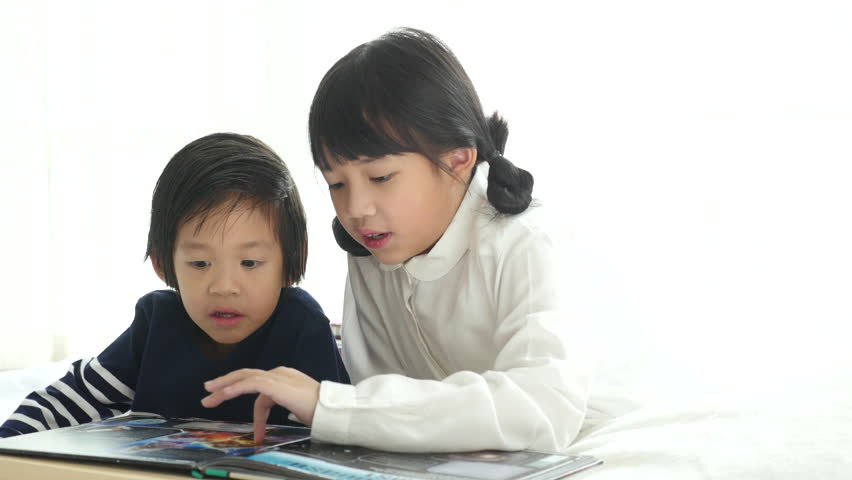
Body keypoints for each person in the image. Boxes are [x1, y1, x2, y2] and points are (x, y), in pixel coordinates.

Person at [202, 28, 590, 453]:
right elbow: (381, 396)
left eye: (381, 177)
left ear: (458, 160)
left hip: (591, 450)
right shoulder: (371, 253)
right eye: (336, 183)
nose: (356, 208)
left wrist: (332, 405)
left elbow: (544, 408)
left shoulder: (524, 242)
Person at [0, 133, 349, 438]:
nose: (224, 287)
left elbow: (347, 426)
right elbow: (67, 401)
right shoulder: (157, 322)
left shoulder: (302, 325)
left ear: (292, 261)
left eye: (250, 263)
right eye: (200, 264)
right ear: (162, 264)